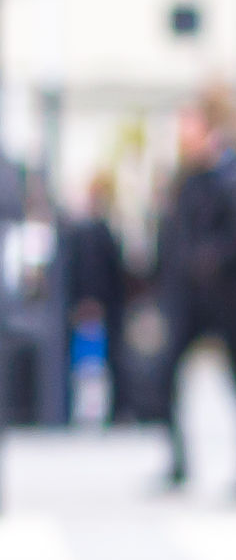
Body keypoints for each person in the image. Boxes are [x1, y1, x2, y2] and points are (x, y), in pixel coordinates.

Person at [151, 96, 236, 496]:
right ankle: (179, 462)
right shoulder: (185, 180)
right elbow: (170, 238)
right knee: (165, 374)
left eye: (188, 129)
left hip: (226, 300)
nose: (183, 138)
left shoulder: (229, 177)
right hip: (188, 300)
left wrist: (209, 259)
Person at [56, 172, 133, 425]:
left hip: (104, 305)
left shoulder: (99, 229)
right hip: (95, 303)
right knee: (84, 364)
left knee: (105, 363)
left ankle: (112, 410)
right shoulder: (89, 231)